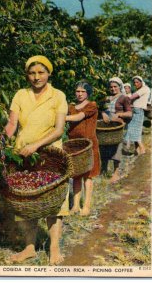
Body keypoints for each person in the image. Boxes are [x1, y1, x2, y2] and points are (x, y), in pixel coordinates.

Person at [5, 55, 68, 265]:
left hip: (50, 155)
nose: (36, 77)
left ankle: (54, 248)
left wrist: (36, 145)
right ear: (27, 75)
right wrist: (0, 141)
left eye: (41, 72)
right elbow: (12, 124)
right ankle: (29, 248)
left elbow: (59, 130)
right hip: (23, 154)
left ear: (49, 73)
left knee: (54, 201)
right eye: (32, 73)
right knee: (26, 201)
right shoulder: (20, 94)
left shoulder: (58, 96)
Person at [65, 80, 101, 216]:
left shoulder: (92, 106)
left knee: (88, 176)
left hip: (88, 145)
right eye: (77, 91)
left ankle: (86, 206)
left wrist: (62, 118)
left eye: (83, 91)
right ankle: (75, 205)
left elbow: (78, 117)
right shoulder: (71, 107)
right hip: (74, 145)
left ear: (88, 93)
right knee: (76, 175)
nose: (79, 94)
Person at [100, 77, 132, 184]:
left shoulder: (124, 98)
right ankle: (103, 170)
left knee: (116, 148)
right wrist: (103, 113)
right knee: (104, 147)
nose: (113, 89)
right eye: (111, 87)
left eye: (115, 87)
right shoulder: (107, 98)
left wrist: (118, 114)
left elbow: (129, 113)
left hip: (117, 127)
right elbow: (103, 109)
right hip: (107, 127)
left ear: (120, 87)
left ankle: (116, 173)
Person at [124, 75, 150, 155]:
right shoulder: (140, 89)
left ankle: (142, 149)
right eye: (134, 82)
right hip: (136, 110)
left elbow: (132, 97)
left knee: (135, 131)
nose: (135, 84)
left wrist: (121, 100)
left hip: (138, 111)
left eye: (137, 82)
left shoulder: (144, 89)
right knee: (133, 130)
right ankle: (137, 151)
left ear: (141, 82)